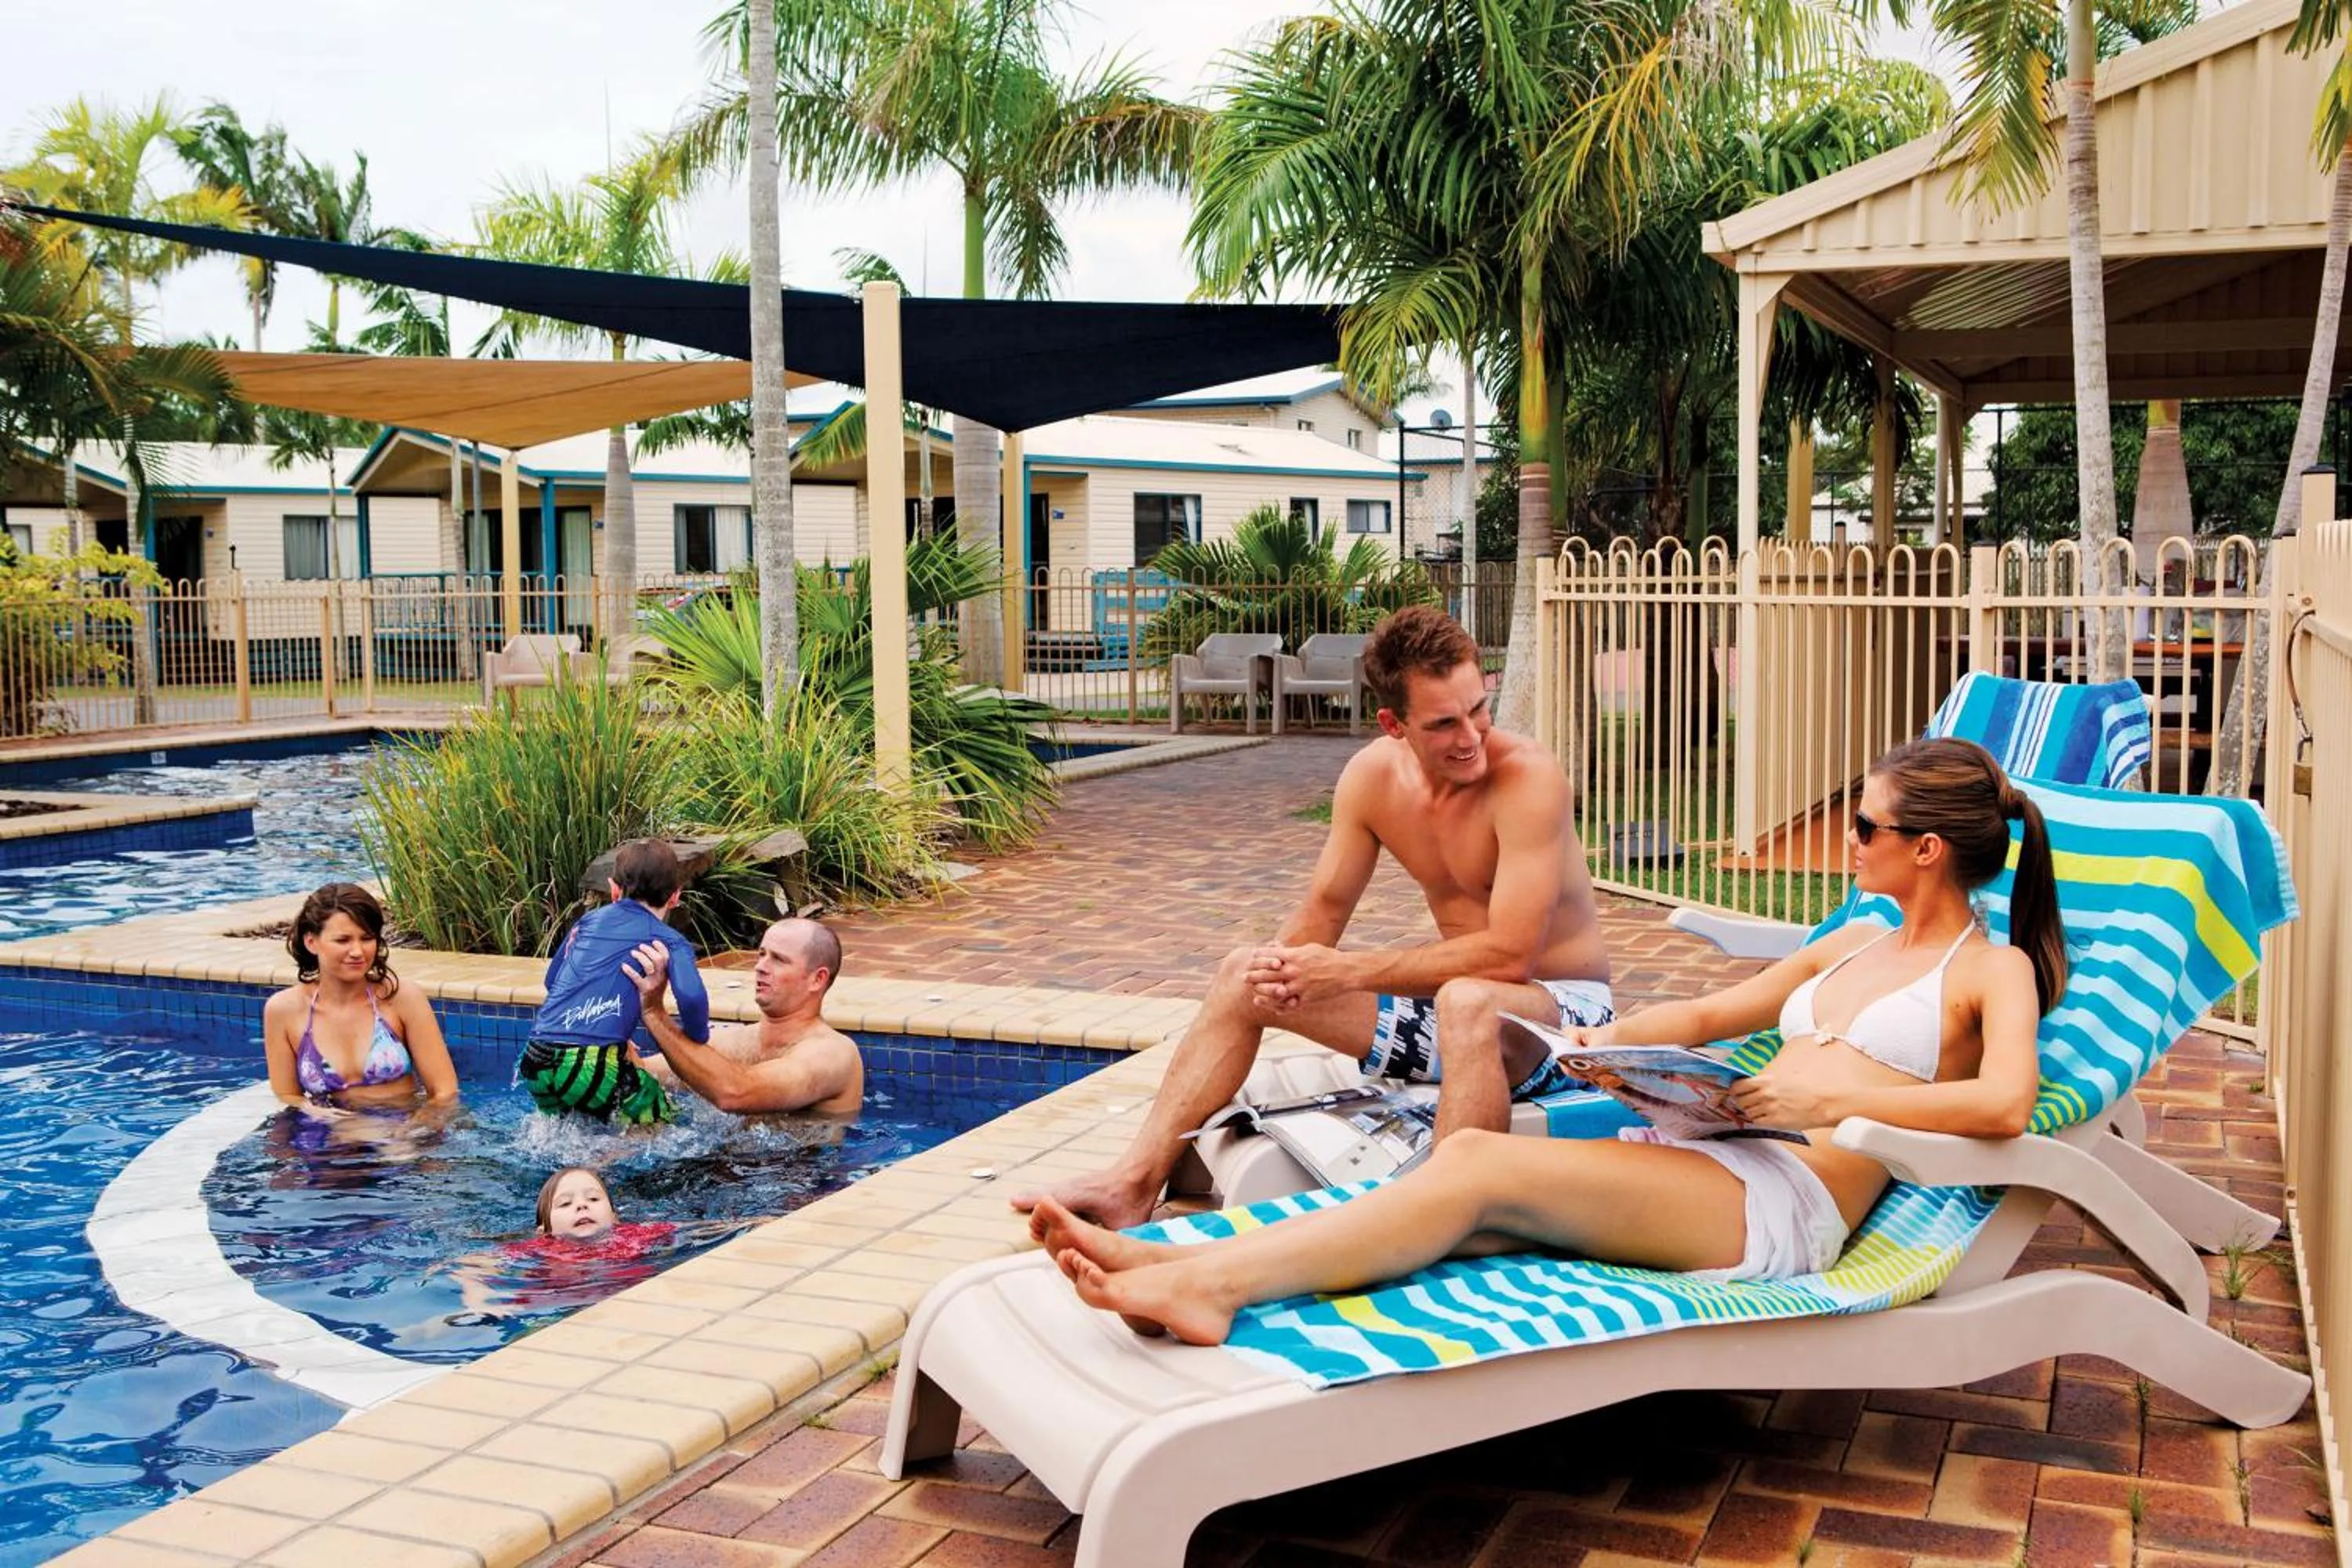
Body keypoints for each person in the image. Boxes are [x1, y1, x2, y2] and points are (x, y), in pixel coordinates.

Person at [1029, 738, 2066, 1346]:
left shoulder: (1988, 970)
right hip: (1711, 1152)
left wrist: (1830, 1108)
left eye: (1867, 827)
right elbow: (1710, 1018)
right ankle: (1175, 1254)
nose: (1847, 837)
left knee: (1473, 1165)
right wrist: (1602, 1044)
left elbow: (2005, 1107)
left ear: (1927, 851)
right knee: (1453, 1217)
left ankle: (1201, 1286)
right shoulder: (1848, 942)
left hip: (1784, 1200)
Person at [1015, 604, 1613, 1229]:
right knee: (1242, 973)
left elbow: (1511, 955)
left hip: (1566, 1024)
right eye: (1443, 723)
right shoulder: (1372, 780)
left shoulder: (1528, 779)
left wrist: (1346, 973)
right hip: (1459, 1016)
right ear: (1393, 724)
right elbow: (1323, 912)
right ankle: (1133, 1184)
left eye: (1479, 708)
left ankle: (1437, 1221)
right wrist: (1270, 980)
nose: (1471, 737)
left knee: (1468, 1000)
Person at [517, 839, 710, 1127]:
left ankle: (571, 1172)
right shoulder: (670, 940)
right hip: (590, 1066)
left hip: (535, 1059)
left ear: (614, 890)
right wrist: (698, 1039)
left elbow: (552, 981)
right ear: (675, 896)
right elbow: (692, 998)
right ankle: (604, 1165)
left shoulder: (586, 923)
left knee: (573, 1130)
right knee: (661, 1121)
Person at [621, 917, 863, 1116]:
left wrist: (654, 1013)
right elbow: (644, 1072)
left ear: (817, 979)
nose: (760, 966)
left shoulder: (833, 1054)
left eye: (778, 959)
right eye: (762, 954)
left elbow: (736, 1094)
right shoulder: (738, 1041)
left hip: (803, 1174)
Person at [263, 882, 459, 1127]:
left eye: (367, 938)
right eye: (343, 940)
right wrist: (311, 1110)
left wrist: (414, 1130)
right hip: (330, 1136)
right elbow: (287, 1095)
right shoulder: (284, 1010)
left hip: (405, 1131)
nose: (357, 951)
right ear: (311, 942)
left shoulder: (401, 998)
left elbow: (445, 1092)